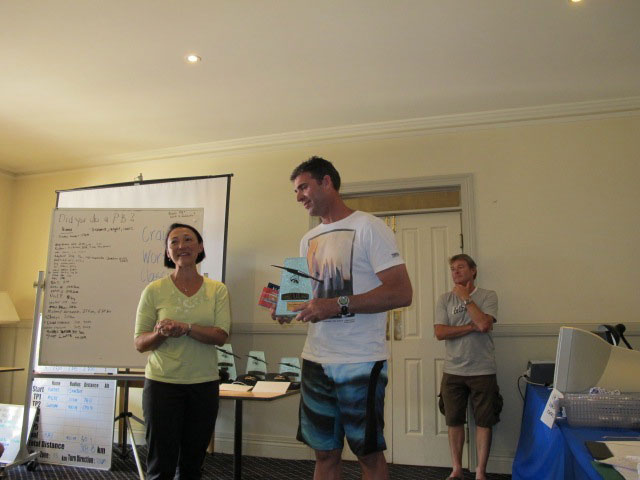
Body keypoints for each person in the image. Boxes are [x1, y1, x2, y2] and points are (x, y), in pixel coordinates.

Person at [274, 156, 412, 480]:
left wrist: (336, 305)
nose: (299, 197)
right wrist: (287, 310)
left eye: (303, 187)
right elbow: (304, 299)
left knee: (368, 453)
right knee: (324, 452)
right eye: (296, 191)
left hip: (360, 360)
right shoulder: (307, 239)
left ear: (327, 182)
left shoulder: (369, 227)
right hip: (315, 358)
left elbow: (402, 293)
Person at [134, 223, 230, 480]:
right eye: (174, 242)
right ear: (168, 252)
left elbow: (220, 336)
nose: (181, 246)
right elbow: (140, 343)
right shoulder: (154, 290)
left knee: (192, 465)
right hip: (162, 385)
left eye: (188, 239)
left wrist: (186, 328)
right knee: (160, 466)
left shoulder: (217, 290)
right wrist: (161, 333)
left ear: (200, 248)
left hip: (203, 385)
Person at [434, 254, 501, 480]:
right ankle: (457, 469)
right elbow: (440, 332)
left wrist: (465, 298)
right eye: (453, 269)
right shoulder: (444, 299)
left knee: (484, 421)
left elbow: (484, 324)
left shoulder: (488, 296)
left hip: (483, 369)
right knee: (453, 420)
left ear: (473, 270)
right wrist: (471, 327)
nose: (456, 272)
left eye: (461, 267)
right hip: (453, 371)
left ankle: (480, 471)